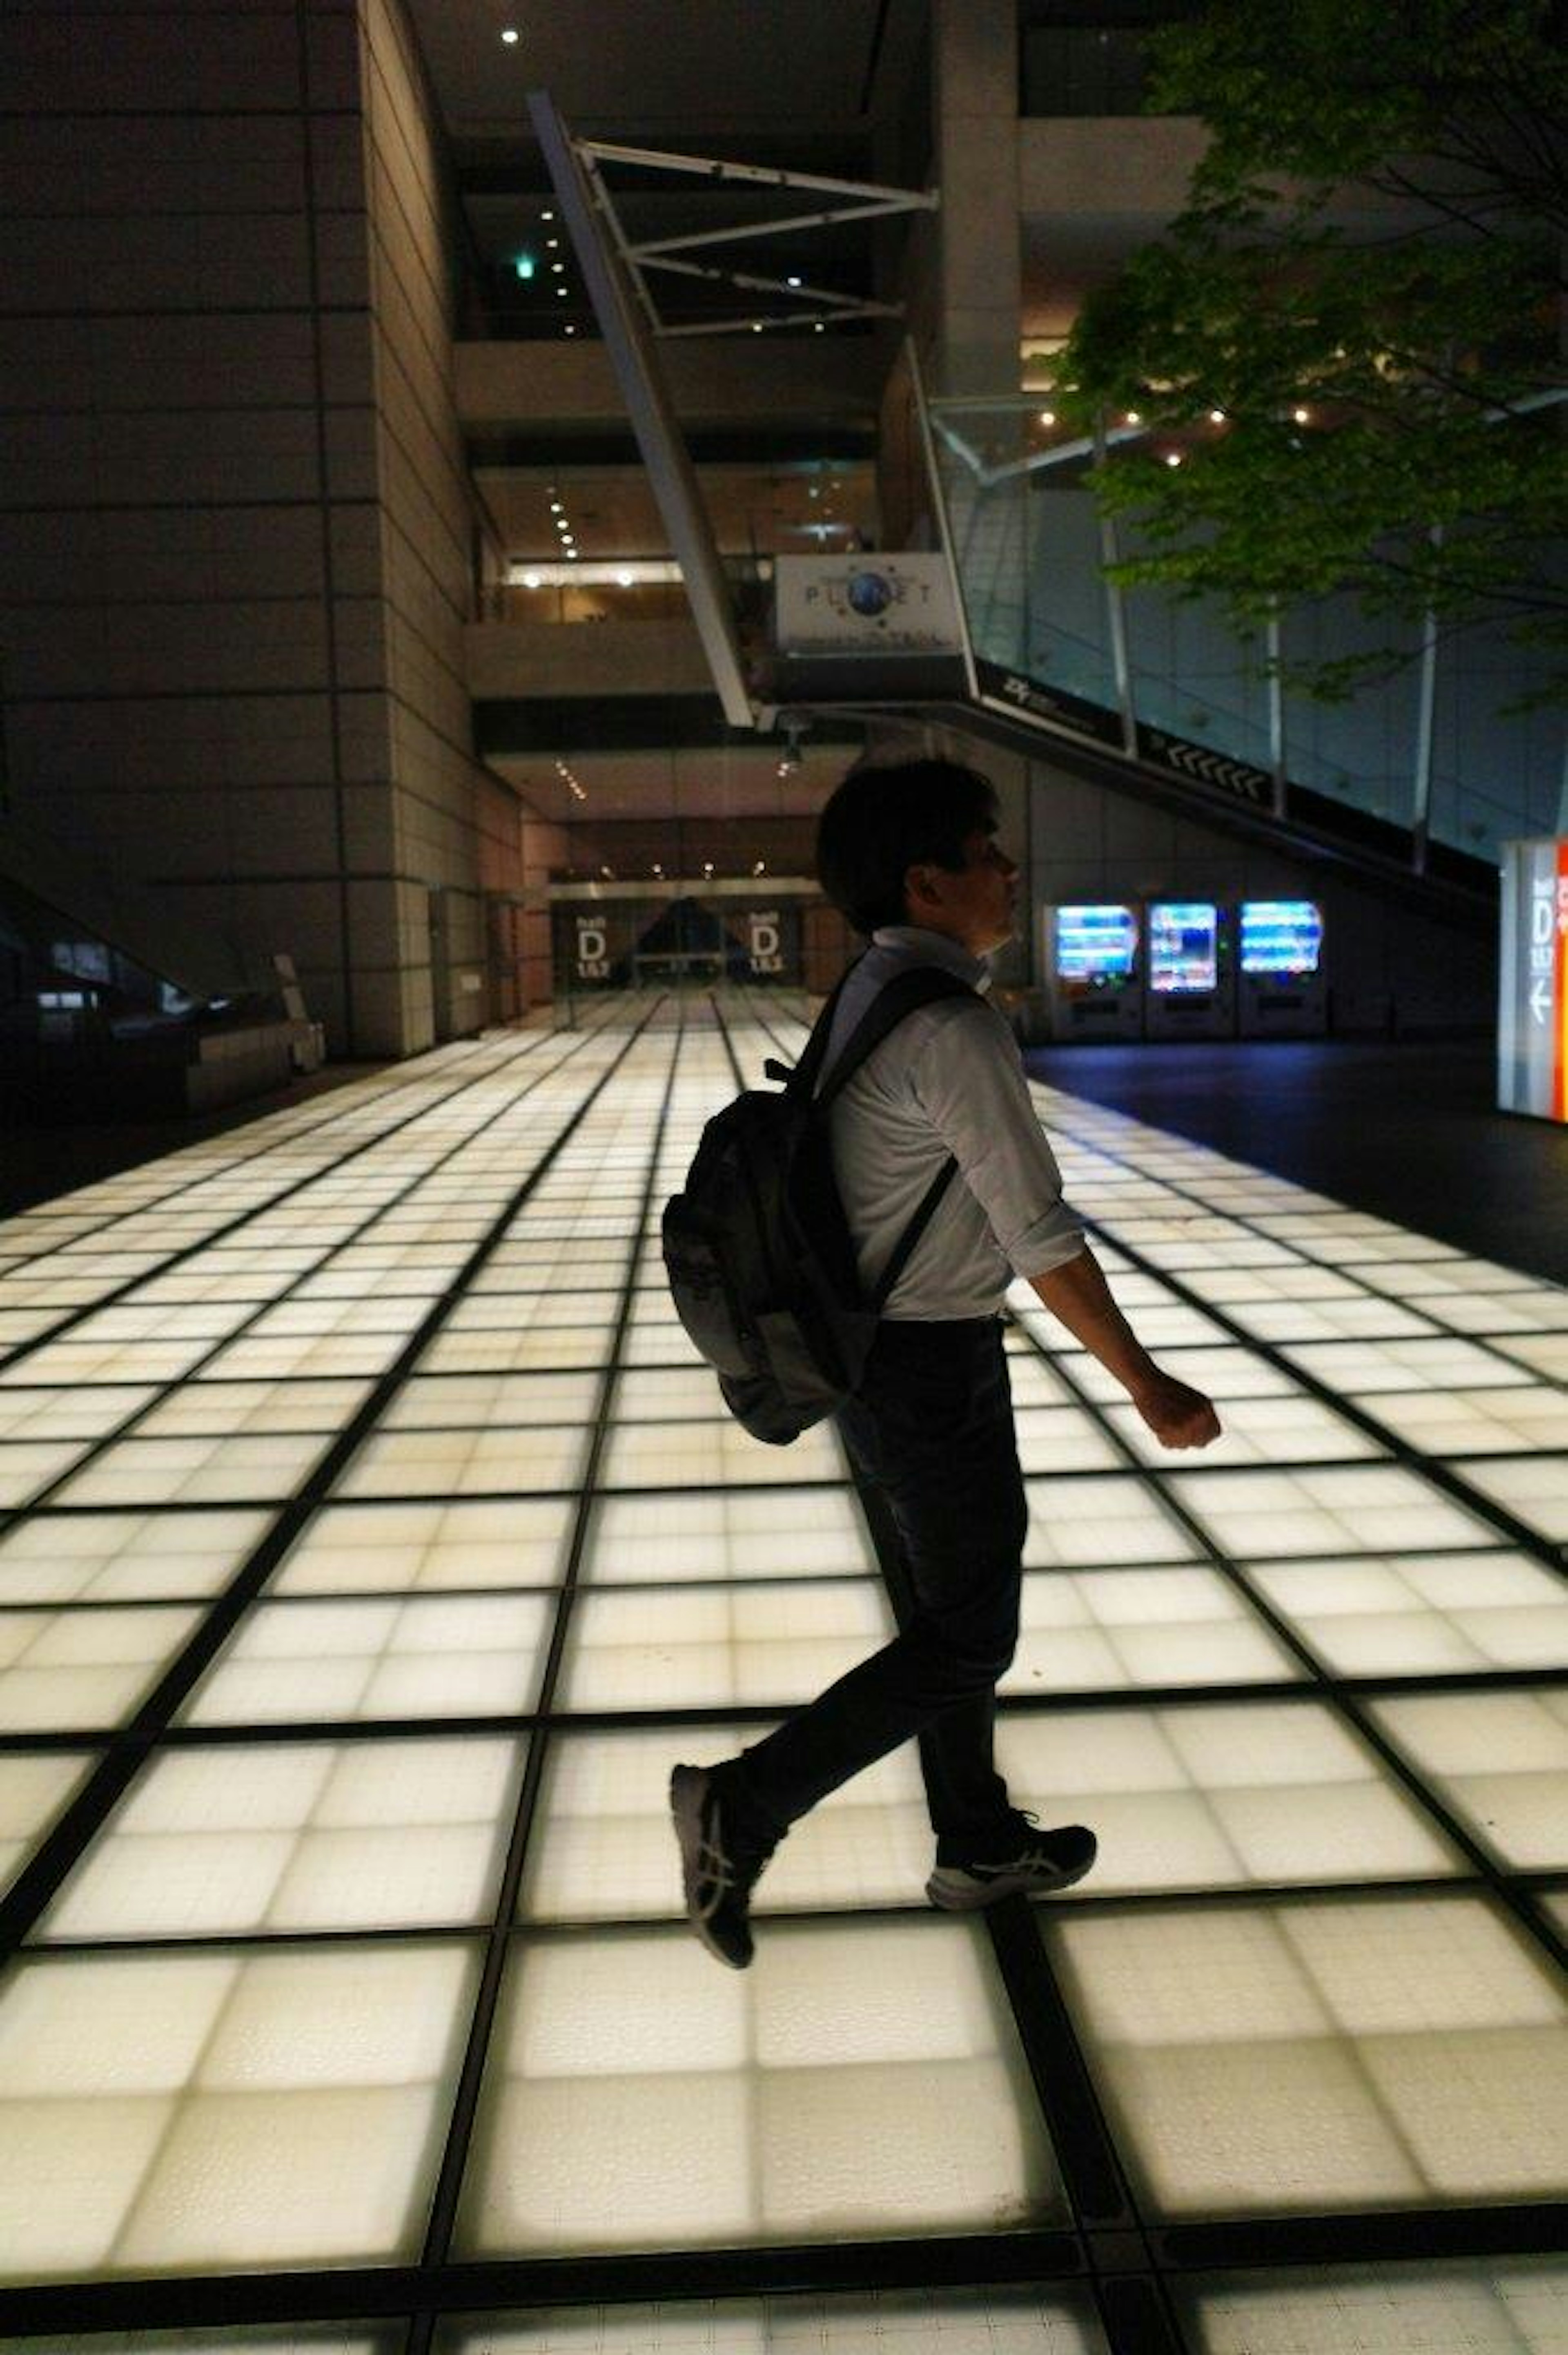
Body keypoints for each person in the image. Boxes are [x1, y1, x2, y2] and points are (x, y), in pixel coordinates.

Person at [670, 757, 1221, 1968]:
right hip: (930, 1368)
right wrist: (1149, 1383)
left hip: (870, 1355)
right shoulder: (954, 1027)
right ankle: (746, 1804)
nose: (1008, 871)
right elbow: (1039, 1234)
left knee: (949, 1617)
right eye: (987, 852)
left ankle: (974, 1838)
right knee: (970, 1638)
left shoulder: (871, 988)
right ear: (927, 880)